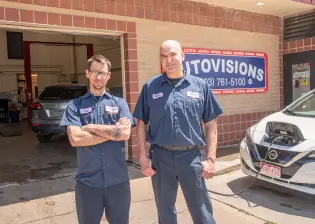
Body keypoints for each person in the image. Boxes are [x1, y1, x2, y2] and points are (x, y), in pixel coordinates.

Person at [133, 40, 223, 224]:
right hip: (161, 157)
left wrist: (211, 159)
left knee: (201, 210)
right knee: (165, 210)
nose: (169, 60)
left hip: (191, 158)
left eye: (173, 54)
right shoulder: (151, 87)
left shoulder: (200, 86)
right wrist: (143, 156)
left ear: (183, 55)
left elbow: (211, 124)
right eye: (164, 56)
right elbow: (141, 122)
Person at [60, 55, 135, 224]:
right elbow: (76, 139)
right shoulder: (75, 106)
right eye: (95, 72)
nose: (98, 77)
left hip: (118, 182)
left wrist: (91, 127)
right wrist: (111, 133)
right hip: (88, 184)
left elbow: (124, 134)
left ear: (108, 75)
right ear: (87, 73)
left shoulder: (120, 104)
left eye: (103, 73)